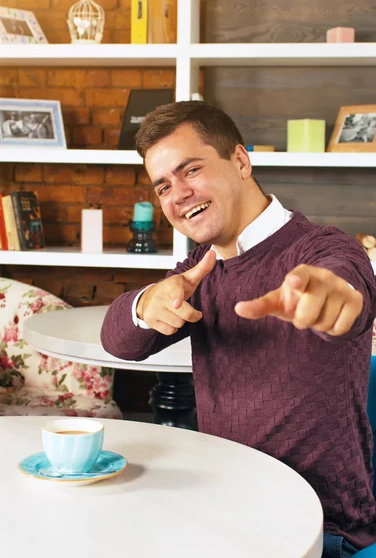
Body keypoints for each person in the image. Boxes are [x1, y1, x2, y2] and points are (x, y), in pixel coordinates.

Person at [101, 101, 376, 557]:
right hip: (225, 510)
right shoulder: (199, 270)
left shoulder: (324, 248)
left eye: (191, 169)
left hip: (320, 528)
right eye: (163, 185)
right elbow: (119, 342)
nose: (177, 194)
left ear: (241, 161)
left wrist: (333, 298)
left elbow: (346, 282)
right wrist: (144, 304)